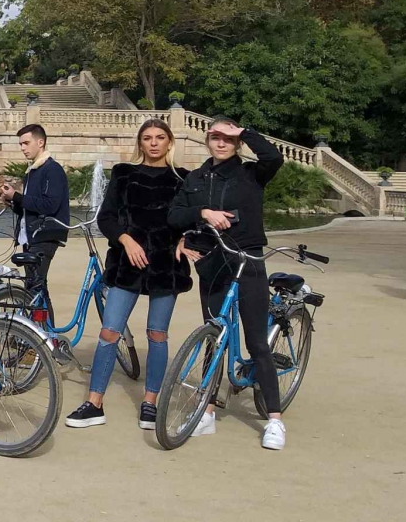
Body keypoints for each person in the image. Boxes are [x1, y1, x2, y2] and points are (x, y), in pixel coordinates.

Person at [65, 120, 196, 430]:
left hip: (165, 265)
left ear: (169, 142)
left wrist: (186, 238)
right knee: (109, 332)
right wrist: (126, 239)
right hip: (127, 263)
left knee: (157, 334)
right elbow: (106, 218)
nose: (154, 143)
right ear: (140, 143)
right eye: (147, 138)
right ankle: (94, 403)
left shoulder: (183, 178)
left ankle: (150, 403)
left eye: (160, 137)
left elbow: (191, 219)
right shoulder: (124, 174)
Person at [167, 117, 286, 450]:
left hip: (247, 259)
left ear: (236, 143)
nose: (221, 143)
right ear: (207, 141)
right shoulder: (195, 178)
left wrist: (244, 132)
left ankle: (274, 420)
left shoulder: (251, 173)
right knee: (214, 336)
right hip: (212, 261)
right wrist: (202, 214)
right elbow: (174, 215)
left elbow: (274, 157)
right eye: (215, 137)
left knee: (256, 342)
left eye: (228, 138)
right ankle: (206, 411)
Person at [0, 124, 69, 327]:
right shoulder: (33, 171)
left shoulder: (52, 169)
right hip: (32, 236)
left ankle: (44, 335)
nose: (22, 148)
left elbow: (50, 205)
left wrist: (17, 196)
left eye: (26, 143)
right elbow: (30, 210)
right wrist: (12, 201)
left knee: (36, 288)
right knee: (35, 288)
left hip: (45, 235)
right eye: (20, 144)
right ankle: (42, 333)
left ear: (41, 142)